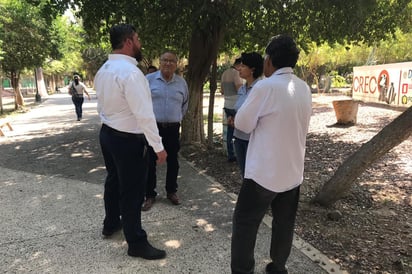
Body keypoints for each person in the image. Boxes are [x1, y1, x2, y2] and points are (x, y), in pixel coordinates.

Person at [231, 35, 312, 274]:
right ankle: (278, 266)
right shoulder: (303, 87)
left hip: (264, 174)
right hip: (293, 172)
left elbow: (243, 124)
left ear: (269, 60)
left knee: (245, 223)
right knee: (284, 224)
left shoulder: (265, 87)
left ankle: (243, 270)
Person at [94, 24, 167, 260]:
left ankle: (111, 223)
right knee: (133, 191)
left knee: (114, 181)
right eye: (137, 38)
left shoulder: (103, 69)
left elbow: (102, 105)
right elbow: (144, 114)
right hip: (127, 140)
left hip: (108, 134)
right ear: (128, 42)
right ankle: (136, 242)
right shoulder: (131, 74)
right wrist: (158, 147)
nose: (140, 43)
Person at [142, 51, 189, 211]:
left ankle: (171, 191)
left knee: (173, 161)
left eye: (171, 61)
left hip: (173, 128)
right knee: (149, 161)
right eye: (165, 60)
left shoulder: (182, 83)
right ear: (160, 62)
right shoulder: (148, 80)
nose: (168, 63)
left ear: (176, 64)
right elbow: (141, 102)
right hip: (153, 128)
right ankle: (149, 194)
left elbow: (184, 104)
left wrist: (175, 117)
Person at [231, 52, 263, 177]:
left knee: (253, 176)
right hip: (239, 137)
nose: (239, 68)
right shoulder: (242, 89)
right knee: (244, 174)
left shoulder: (261, 88)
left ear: (252, 69)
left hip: (252, 140)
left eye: (243, 66)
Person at [221, 58, 243, 162]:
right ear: (239, 65)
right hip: (235, 105)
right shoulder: (236, 73)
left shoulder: (224, 73)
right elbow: (239, 89)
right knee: (238, 130)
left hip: (227, 104)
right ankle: (238, 154)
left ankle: (230, 154)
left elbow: (221, 90)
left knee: (230, 130)